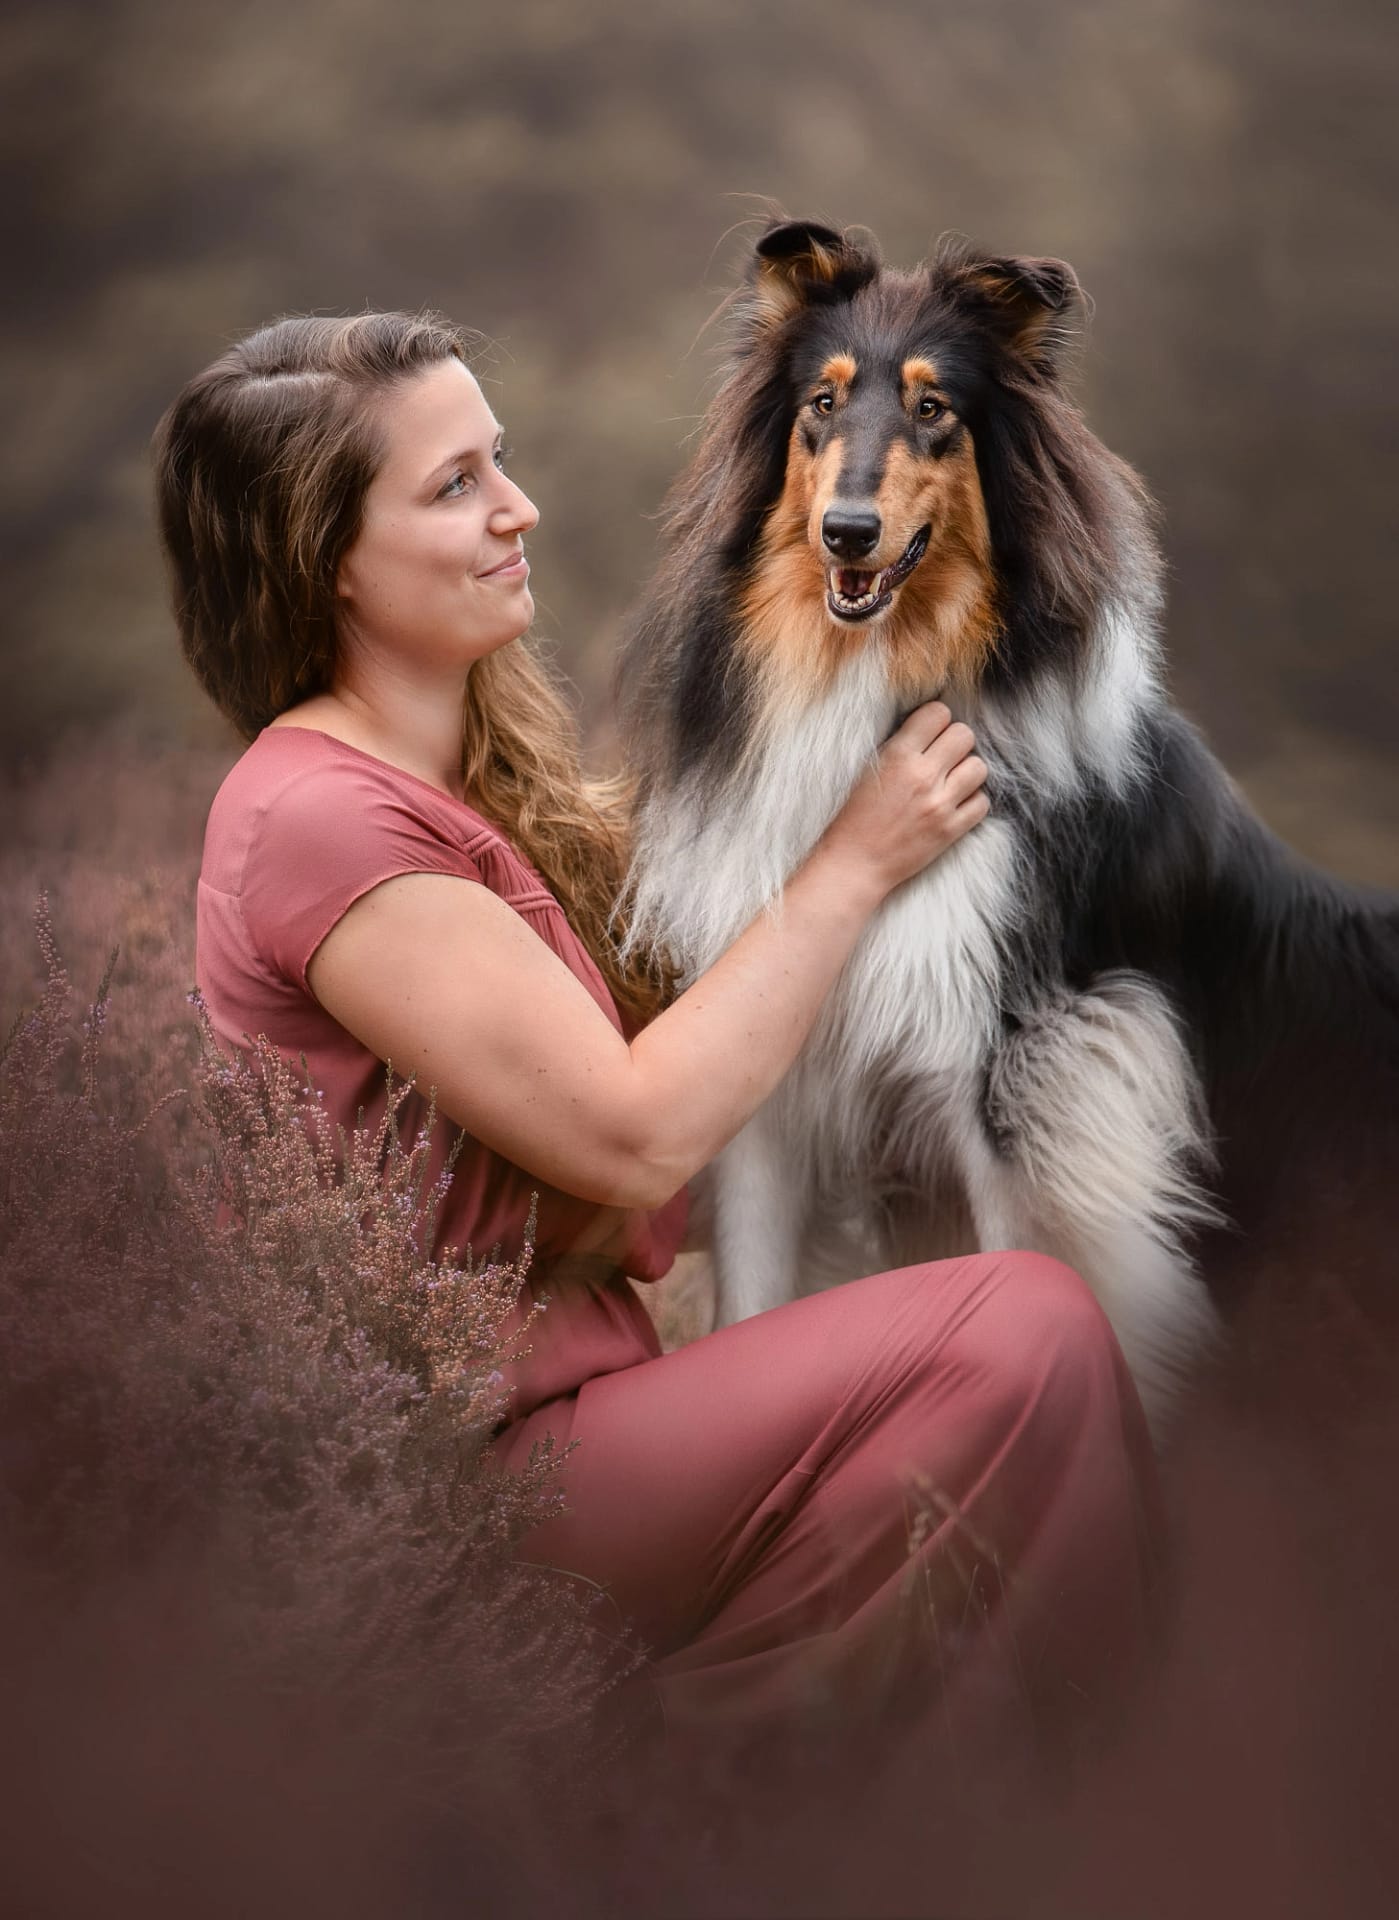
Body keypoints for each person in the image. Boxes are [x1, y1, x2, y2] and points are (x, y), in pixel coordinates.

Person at [157, 308, 1163, 1790]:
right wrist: (855, 862)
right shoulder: (320, 817)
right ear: (326, 562)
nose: (521, 507)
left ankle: (785, 1819)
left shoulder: (460, 782)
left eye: (498, 459)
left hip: (598, 1421)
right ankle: (1120, 1794)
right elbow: (634, 1132)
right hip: (484, 1475)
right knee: (1024, 1329)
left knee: (936, 1453)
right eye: (454, 487)